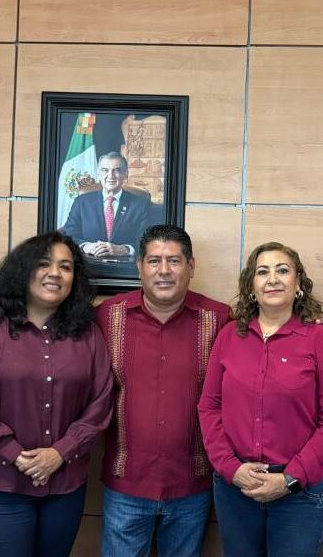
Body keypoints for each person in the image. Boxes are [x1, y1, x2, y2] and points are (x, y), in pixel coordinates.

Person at [0, 232, 113, 557]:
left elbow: (101, 400)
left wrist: (61, 452)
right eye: (44, 263)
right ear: (23, 269)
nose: (55, 273)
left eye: (66, 267)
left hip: (65, 484)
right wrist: (12, 452)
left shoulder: (88, 333)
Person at [198, 241, 323, 557]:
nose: (273, 279)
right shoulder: (229, 337)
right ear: (251, 287)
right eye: (262, 272)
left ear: (298, 283)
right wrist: (231, 469)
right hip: (236, 489)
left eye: (283, 270)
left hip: (300, 494)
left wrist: (289, 479)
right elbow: (209, 406)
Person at [95, 224, 230, 557]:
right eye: (154, 261)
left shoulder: (219, 319)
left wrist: (308, 321)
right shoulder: (107, 316)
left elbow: (264, 336)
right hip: (126, 484)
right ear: (139, 266)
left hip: (192, 486)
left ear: (191, 266)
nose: (164, 270)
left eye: (174, 260)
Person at [63, 151, 150, 258]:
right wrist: (86, 246)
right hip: (88, 263)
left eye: (116, 170)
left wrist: (124, 249)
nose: (110, 176)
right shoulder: (81, 202)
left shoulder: (140, 205)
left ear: (125, 174)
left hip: (124, 265)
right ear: (99, 174)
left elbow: (148, 241)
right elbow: (69, 235)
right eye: (105, 170)